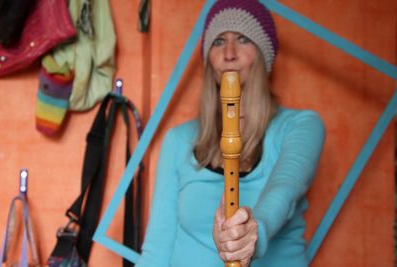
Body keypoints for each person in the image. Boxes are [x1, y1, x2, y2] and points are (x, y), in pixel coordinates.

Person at [136, 0, 325, 266]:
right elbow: (157, 248)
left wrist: (252, 235)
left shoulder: (301, 126)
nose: (229, 53)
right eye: (218, 41)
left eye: (243, 39)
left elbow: (284, 191)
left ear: (263, 55)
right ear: (208, 60)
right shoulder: (178, 140)